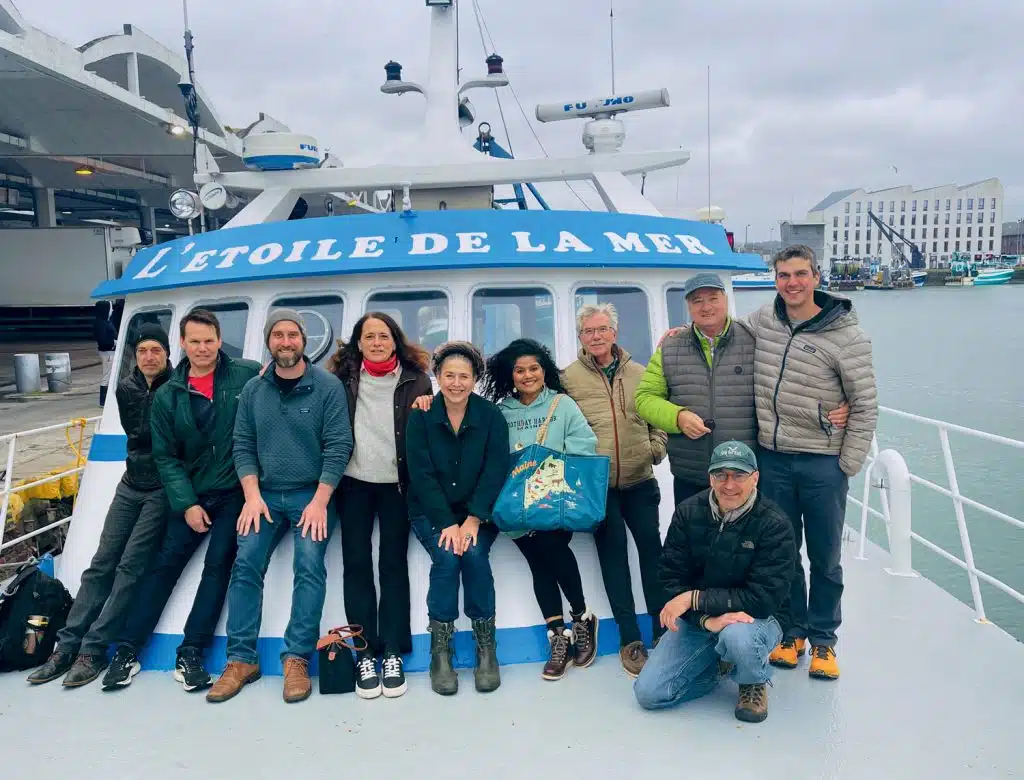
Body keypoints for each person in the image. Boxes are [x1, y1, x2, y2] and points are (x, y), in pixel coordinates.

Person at [101, 309, 260, 692]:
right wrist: (187, 503)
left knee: (217, 567)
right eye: (194, 342)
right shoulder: (169, 395)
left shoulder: (247, 374)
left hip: (233, 493)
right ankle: (127, 648)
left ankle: (191, 652)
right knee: (163, 566)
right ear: (183, 345)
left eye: (209, 340)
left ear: (220, 340)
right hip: (192, 495)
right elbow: (166, 456)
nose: (202, 348)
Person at [205, 309, 353, 704]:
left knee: (309, 565)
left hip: (311, 494)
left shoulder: (327, 387)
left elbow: (339, 446)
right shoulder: (254, 390)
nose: (285, 342)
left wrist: (321, 502)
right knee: (246, 562)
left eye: (292, 335)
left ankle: (297, 658)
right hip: (265, 495)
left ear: (304, 341)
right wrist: (251, 496)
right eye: (278, 336)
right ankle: (240, 660)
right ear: (269, 342)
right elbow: (243, 444)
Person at [747, 245, 878, 681]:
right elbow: (722, 331)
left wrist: (848, 463)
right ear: (775, 279)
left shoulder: (848, 337)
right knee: (783, 552)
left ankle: (823, 640)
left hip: (824, 463)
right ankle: (792, 632)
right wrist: (680, 333)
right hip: (775, 458)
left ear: (817, 277)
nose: (792, 283)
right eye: (783, 275)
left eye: (800, 274)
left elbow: (865, 405)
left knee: (825, 556)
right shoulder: (765, 321)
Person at [29, 324, 173, 687]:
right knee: (100, 565)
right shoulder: (126, 388)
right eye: (143, 351)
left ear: (168, 354)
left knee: (129, 569)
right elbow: (136, 437)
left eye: (156, 350)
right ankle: (66, 645)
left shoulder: (177, 388)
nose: (150, 357)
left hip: (161, 490)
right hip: (130, 484)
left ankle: (93, 650)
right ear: (135, 356)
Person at [638, 272, 849, 506]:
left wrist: (836, 402)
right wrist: (677, 417)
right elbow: (645, 398)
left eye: (713, 298)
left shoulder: (755, 339)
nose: (706, 307)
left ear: (726, 300)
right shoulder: (670, 347)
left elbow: (796, 375)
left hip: (744, 473)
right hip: (692, 473)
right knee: (694, 540)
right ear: (688, 306)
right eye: (697, 300)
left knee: (745, 541)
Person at [633, 441, 796, 724]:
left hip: (756, 618)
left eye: (739, 475)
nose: (729, 485)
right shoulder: (687, 512)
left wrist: (695, 599)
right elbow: (670, 578)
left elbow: (764, 598)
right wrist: (705, 619)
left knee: (737, 638)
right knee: (649, 694)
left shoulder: (774, 524)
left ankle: (751, 680)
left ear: (755, 477)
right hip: (702, 619)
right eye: (721, 475)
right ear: (710, 478)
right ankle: (716, 666)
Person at [327, 312, 432, 700]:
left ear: (394, 340)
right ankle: (365, 650)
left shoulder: (416, 380)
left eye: (382, 336)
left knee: (392, 564)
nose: (376, 342)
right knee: (356, 564)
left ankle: (391, 650)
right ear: (358, 343)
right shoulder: (341, 381)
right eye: (368, 337)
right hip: (353, 483)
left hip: (396, 486)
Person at [483, 338, 600, 681]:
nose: (527, 375)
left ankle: (580, 617)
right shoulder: (502, 412)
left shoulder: (561, 405)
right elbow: (492, 456)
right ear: (511, 375)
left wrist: (549, 468)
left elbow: (584, 444)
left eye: (534, 368)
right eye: (520, 370)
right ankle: (559, 636)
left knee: (550, 545)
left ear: (544, 371)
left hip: (554, 500)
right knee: (538, 563)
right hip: (516, 505)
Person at [561, 303, 668, 678]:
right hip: (599, 488)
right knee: (614, 561)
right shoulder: (568, 379)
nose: (596, 337)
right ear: (580, 338)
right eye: (588, 331)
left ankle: (663, 630)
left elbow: (658, 415)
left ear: (614, 332)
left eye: (602, 329)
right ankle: (630, 638)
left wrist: (656, 448)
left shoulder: (640, 373)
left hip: (640, 481)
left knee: (653, 557)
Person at [405, 341, 509, 696]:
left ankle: (486, 649)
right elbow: (420, 474)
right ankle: (441, 652)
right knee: (448, 558)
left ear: (475, 379)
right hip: (432, 512)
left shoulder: (491, 416)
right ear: (436, 377)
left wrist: (475, 519)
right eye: (449, 375)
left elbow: (495, 469)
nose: (456, 383)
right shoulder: (420, 415)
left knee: (476, 555)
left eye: (464, 376)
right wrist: (447, 522)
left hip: (477, 515)